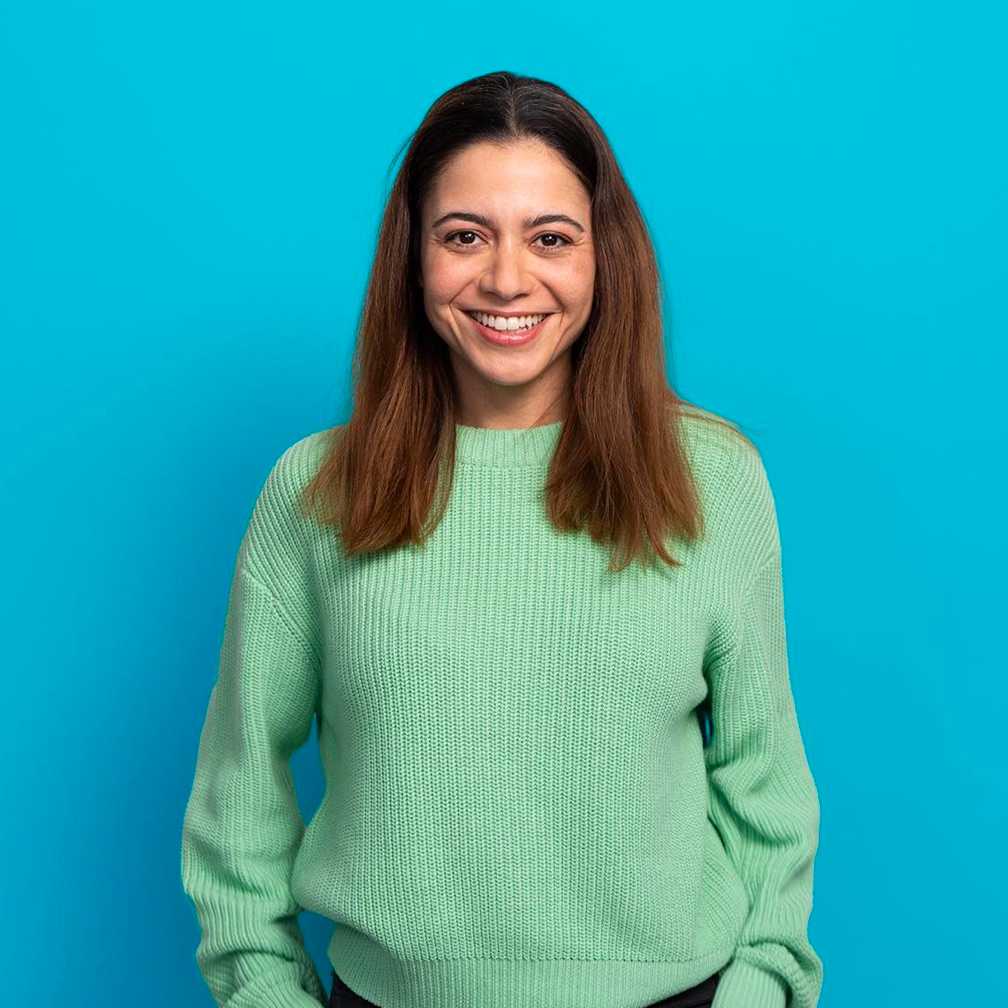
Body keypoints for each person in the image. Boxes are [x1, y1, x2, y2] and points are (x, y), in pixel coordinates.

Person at [180, 70, 824, 1008]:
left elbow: (766, 782)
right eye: (464, 236)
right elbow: (237, 790)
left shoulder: (712, 479)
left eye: (551, 238)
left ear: (605, 258)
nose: (507, 279)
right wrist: (261, 988)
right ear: (414, 259)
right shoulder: (315, 492)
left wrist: (764, 988)